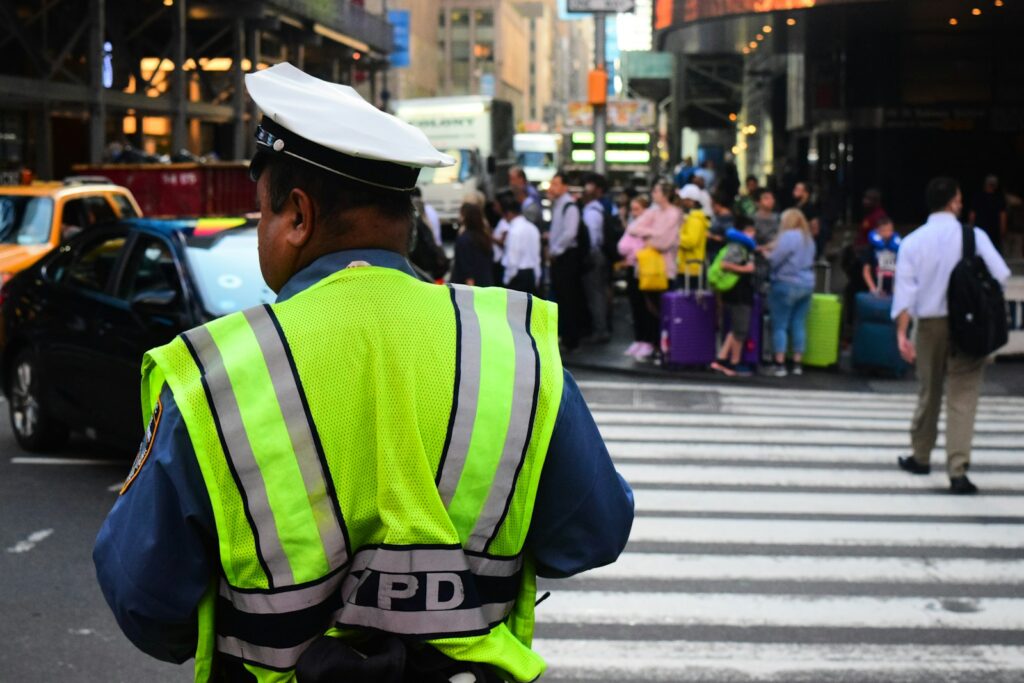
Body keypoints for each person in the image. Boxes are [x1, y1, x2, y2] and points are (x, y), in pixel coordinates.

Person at [93, 63, 634, 683]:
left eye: (262, 212)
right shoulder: (510, 348)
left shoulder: (216, 373)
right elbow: (593, 534)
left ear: (297, 215)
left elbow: (145, 600)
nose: (261, 230)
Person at [892, 177, 1010, 495]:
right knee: (963, 395)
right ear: (954, 202)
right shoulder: (973, 236)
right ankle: (957, 470)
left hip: (929, 325)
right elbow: (1001, 273)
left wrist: (903, 333)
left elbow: (905, 294)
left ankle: (920, 455)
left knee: (928, 390)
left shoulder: (912, 241)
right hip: (968, 326)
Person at [628, 181, 682, 360]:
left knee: (663, 310)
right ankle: (654, 344)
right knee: (649, 309)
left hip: (665, 269)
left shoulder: (674, 213)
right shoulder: (653, 212)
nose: (653, 193)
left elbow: (664, 242)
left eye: (656, 190)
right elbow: (632, 228)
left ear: (665, 194)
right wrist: (654, 233)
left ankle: (664, 346)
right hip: (647, 269)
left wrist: (648, 235)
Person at [766, 208, 816, 377]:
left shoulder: (788, 237)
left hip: (786, 283)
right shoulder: (808, 239)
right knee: (798, 323)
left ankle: (779, 363)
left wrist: (766, 254)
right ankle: (797, 362)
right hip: (807, 284)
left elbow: (775, 259)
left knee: (780, 324)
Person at [711, 217, 758, 377]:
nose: (753, 234)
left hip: (739, 292)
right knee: (740, 329)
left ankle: (723, 359)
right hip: (739, 293)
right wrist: (747, 269)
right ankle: (733, 363)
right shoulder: (737, 247)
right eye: (750, 231)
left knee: (736, 329)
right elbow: (725, 264)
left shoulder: (743, 247)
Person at [547, 170, 586, 352]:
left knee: (568, 299)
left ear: (564, 186)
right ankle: (565, 336)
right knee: (561, 298)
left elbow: (569, 233)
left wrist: (555, 250)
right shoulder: (558, 205)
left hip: (566, 258)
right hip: (560, 257)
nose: (551, 188)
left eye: (555, 184)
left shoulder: (569, 206)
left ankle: (572, 339)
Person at [618, 194, 651, 358]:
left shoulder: (646, 227)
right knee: (635, 305)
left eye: (637, 209)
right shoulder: (634, 225)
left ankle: (646, 340)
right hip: (632, 267)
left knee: (643, 306)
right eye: (633, 209)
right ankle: (639, 339)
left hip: (642, 268)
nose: (634, 213)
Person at [581, 173, 610, 343]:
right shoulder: (597, 210)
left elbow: (591, 238)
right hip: (598, 255)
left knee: (595, 295)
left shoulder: (591, 213)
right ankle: (600, 328)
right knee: (597, 293)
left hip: (594, 257)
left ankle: (600, 330)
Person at [498, 189, 542, 294]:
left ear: (507, 213)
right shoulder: (532, 228)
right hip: (531, 275)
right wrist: (537, 277)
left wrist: (506, 280)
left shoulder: (514, 231)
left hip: (517, 277)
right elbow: (536, 257)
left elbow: (512, 260)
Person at [451, 201, 494, 287]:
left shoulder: (464, 239)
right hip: (485, 283)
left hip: (467, 288)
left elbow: (466, 268)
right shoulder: (485, 237)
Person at [677, 184, 710, 282]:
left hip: (691, 268)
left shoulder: (695, 220)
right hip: (687, 266)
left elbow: (690, 241)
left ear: (691, 201)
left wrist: (674, 237)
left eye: (684, 199)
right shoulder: (692, 218)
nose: (682, 201)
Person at [969, 175, 1008, 255]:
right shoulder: (998, 198)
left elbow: (972, 215)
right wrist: (1002, 230)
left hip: (988, 231)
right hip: (986, 231)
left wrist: (970, 228)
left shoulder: (997, 198)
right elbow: (972, 214)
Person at [861, 216, 900, 296]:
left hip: (894, 289)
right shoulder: (870, 248)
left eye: (890, 230)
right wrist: (872, 288)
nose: (887, 233)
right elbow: (866, 271)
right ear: (877, 231)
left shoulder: (898, 248)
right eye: (884, 230)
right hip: (877, 288)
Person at [792, 181, 821, 249]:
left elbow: (815, 230)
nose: (794, 191)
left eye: (798, 189)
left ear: (806, 193)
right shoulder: (796, 206)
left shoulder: (810, 208)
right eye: (795, 189)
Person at [707, 192, 735, 260]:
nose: (711, 207)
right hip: (712, 252)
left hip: (720, 254)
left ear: (718, 204)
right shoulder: (717, 216)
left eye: (712, 205)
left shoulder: (727, 219)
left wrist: (711, 236)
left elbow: (727, 238)